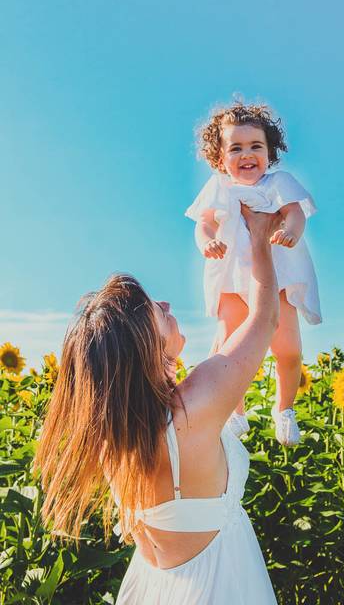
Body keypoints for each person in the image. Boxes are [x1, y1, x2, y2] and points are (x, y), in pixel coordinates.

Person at [33, 205, 282, 604]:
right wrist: (260, 239)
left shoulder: (114, 436)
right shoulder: (194, 407)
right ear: (145, 351)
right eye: (159, 313)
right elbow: (265, 318)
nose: (167, 306)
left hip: (155, 588)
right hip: (222, 585)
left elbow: (222, 355)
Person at [186, 101, 322, 445]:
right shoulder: (218, 187)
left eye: (255, 146)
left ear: (270, 151)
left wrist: (292, 231)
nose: (247, 154)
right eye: (236, 148)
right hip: (231, 275)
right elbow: (203, 223)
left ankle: (284, 409)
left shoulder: (279, 183)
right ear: (220, 158)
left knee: (287, 347)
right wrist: (207, 242)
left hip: (277, 275)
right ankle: (236, 412)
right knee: (228, 345)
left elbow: (296, 213)